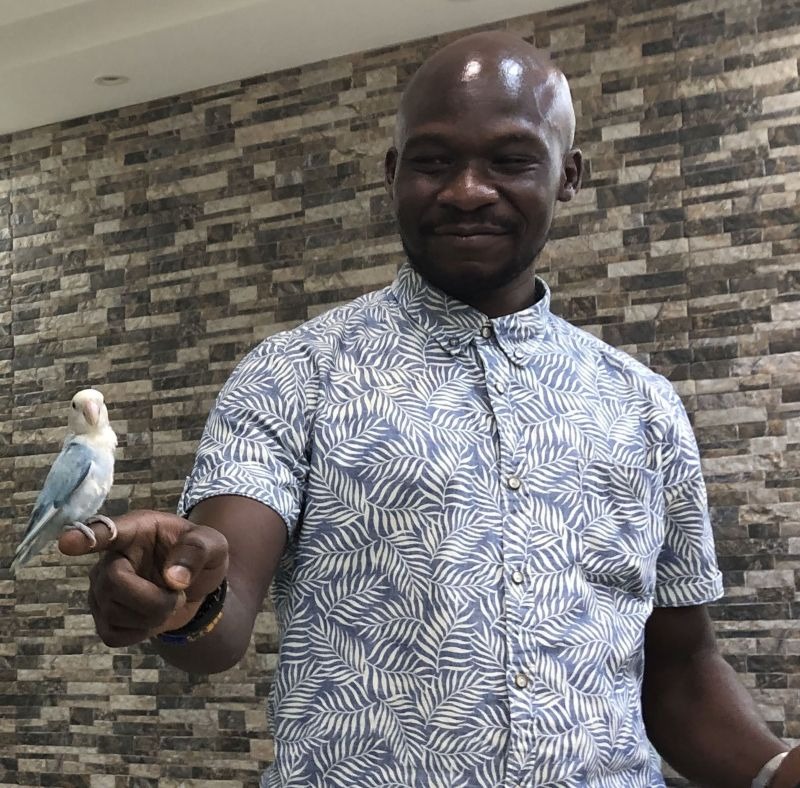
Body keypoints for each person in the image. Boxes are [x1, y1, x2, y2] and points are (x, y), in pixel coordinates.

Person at [60, 31, 800, 788]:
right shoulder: (296, 373)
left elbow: (680, 667)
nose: (467, 190)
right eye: (433, 161)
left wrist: (775, 770)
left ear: (568, 176)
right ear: (393, 174)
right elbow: (227, 595)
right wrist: (178, 597)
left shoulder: (642, 405)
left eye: (511, 161)